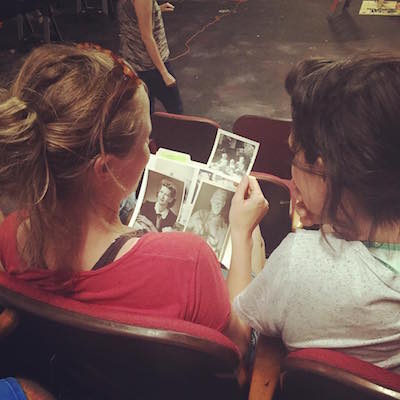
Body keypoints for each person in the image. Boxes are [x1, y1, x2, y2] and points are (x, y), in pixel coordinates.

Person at [0, 43, 269, 358]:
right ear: (104, 168)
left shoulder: (10, 234)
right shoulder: (188, 261)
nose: (150, 153)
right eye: (145, 141)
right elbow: (236, 347)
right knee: (256, 252)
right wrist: (243, 236)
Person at [233, 53, 400, 372]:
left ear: (325, 171)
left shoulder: (299, 263)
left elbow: (237, 337)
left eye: (294, 152)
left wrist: (242, 234)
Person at [117, 0, 183, 114]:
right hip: (150, 65)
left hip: (134, 62)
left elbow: (132, 14)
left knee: (147, 111)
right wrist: (164, 73)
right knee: (176, 109)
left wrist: (156, 10)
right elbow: (147, 38)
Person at [186, 188, 229, 258]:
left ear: (223, 204)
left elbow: (219, 254)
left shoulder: (224, 227)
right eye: (216, 199)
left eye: (220, 202)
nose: (217, 204)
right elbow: (183, 230)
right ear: (211, 200)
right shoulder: (199, 214)